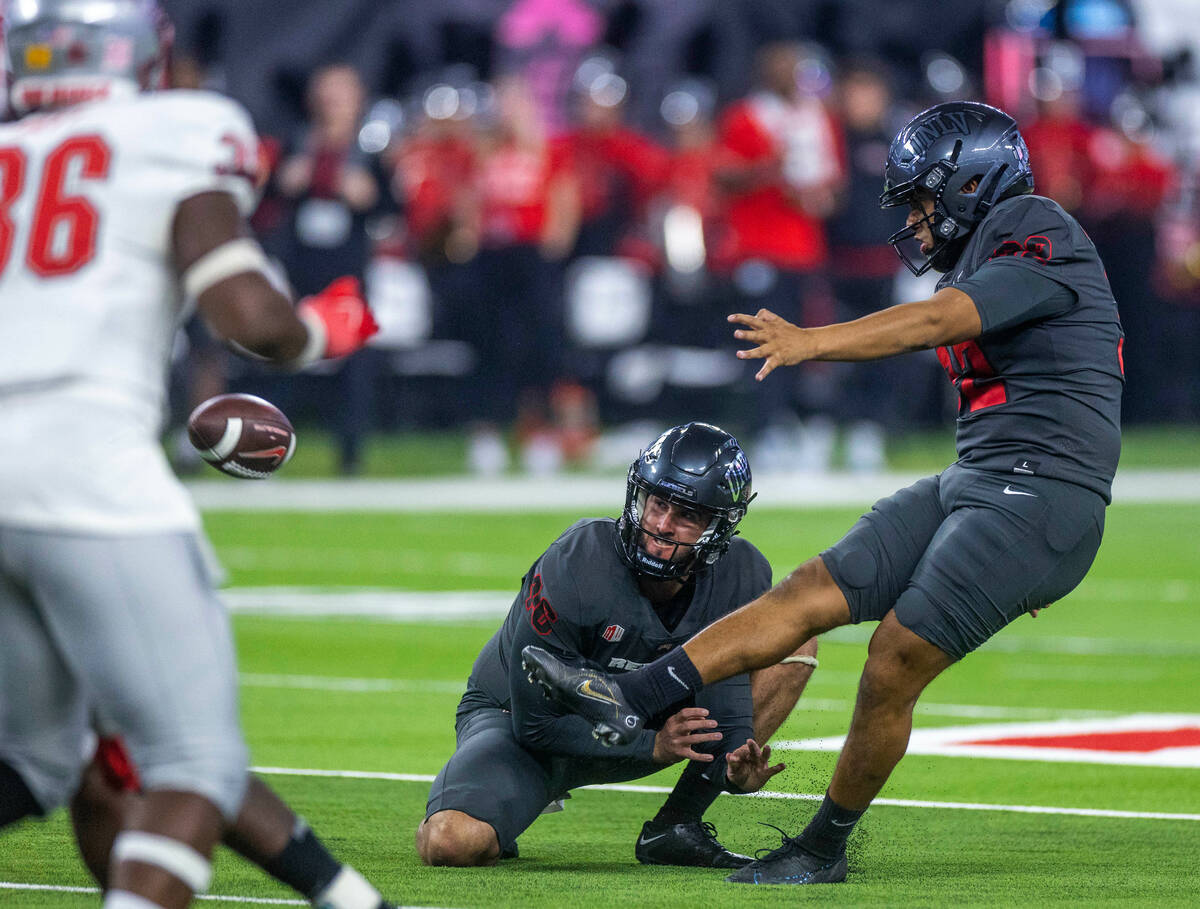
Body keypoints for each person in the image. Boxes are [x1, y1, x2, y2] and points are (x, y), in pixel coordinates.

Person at [524, 100, 1123, 885]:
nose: (917, 218)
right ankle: (627, 698)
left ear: (974, 182)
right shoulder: (985, 245)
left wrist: (813, 342)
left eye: (924, 199)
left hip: (1044, 492)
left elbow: (944, 319)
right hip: (982, 478)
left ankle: (823, 845)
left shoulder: (1037, 224)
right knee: (811, 588)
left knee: (893, 654)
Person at [0, 3, 387, 908]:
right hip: (84, 463)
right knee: (194, 760)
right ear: (144, 51)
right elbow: (249, 317)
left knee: (36, 758)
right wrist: (323, 330)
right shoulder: (178, 129)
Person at [416, 423, 819, 868]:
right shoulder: (578, 561)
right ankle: (507, 798)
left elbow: (726, 706)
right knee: (451, 843)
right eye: (658, 503)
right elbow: (535, 724)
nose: (662, 526)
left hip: (648, 724)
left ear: (720, 526)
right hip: (525, 725)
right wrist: (653, 747)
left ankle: (677, 824)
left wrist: (734, 764)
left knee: (792, 636)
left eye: (686, 515)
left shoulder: (739, 572)